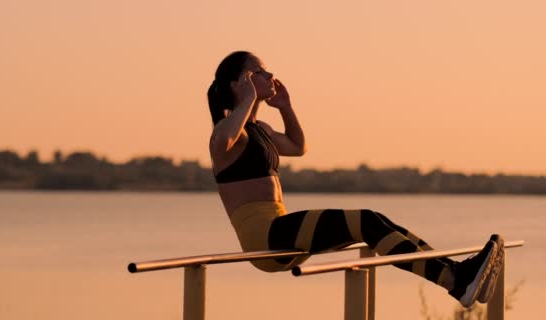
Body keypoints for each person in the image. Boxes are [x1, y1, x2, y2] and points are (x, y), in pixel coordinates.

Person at [206, 51, 504, 308]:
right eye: (259, 71)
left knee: (377, 221)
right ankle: (455, 281)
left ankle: (457, 275)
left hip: (281, 233)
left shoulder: (262, 130)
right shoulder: (229, 133)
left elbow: (298, 146)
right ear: (238, 83)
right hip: (265, 239)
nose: (270, 75)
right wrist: (248, 99)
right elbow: (223, 138)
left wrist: (286, 107)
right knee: (364, 221)